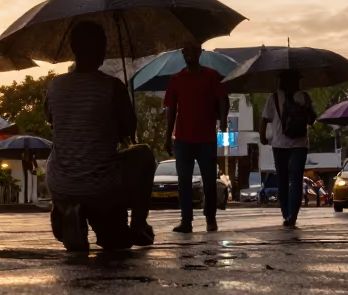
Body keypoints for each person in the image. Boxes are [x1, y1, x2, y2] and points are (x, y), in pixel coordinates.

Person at [44, 22, 155, 251]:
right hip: (101, 186)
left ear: (73, 49)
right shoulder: (111, 86)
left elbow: (52, 121)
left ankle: (68, 211)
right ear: (102, 49)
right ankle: (138, 223)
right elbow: (128, 131)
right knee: (143, 154)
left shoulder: (54, 86)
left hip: (61, 183)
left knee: (115, 238)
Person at [162, 39, 228, 233]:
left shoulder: (211, 76)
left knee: (209, 180)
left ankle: (210, 218)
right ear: (183, 54)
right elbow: (171, 109)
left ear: (199, 52)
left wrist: (223, 121)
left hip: (206, 137)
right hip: (183, 139)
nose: (188, 53)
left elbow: (222, 99)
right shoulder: (176, 80)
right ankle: (186, 221)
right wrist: (167, 137)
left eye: (192, 50)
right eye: (185, 50)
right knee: (184, 181)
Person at [260, 71, 316, 227]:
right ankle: (293, 216)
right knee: (296, 180)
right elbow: (312, 120)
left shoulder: (274, 98)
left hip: (279, 144)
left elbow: (264, 120)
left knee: (282, 180)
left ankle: (286, 214)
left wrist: (263, 137)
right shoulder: (304, 97)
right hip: (300, 144)